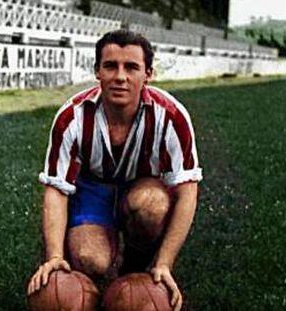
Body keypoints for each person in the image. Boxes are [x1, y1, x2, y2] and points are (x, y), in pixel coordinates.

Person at [27, 29, 202, 311]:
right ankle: (89, 270)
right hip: (93, 189)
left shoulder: (171, 116)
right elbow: (56, 190)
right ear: (97, 71)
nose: (120, 77)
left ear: (148, 73)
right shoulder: (72, 116)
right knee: (90, 260)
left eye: (131, 67)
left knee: (151, 205)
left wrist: (165, 263)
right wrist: (54, 256)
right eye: (111, 66)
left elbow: (188, 192)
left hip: (142, 188)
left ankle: (136, 269)